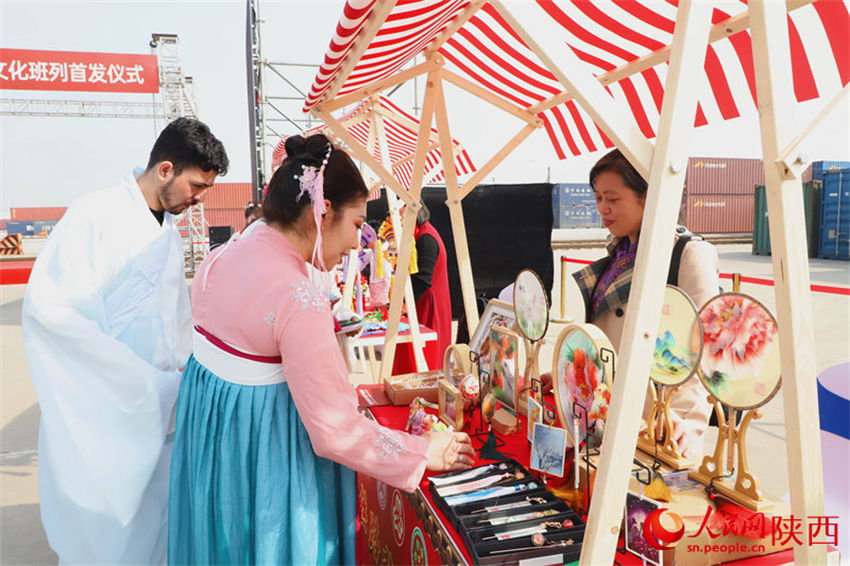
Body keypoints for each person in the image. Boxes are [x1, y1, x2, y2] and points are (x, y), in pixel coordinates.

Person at [168, 134, 474, 565]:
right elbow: (335, 432)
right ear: (322, 211)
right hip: (272, 470)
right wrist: (425, 452)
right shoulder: (298, 297)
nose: (357, 242)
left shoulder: (220, 259)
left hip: (218, 461)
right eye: (356, 223)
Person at [21, 117, 229, 564]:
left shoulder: (167, 234)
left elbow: (176, 319)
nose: (199, 199)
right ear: (166, 169)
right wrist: (134, 380)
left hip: (160, 409)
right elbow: (51, 312)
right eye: (197, 185)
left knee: (155, 530)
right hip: (106, 404)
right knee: (106, 537)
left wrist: (180, 374)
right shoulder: (94, 215)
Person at [572, 148, 720, 457]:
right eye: (598, 198)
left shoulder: (687, 254)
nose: (603, 208)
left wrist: (685, 425)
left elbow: (707, 347)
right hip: (607, 415)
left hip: (661, 426)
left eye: (612, 199)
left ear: (649, 196)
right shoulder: (618, 255)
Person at [392, 201, 452, 374]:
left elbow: (423, 279)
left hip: (428, 303)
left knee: (424, 354)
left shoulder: (426, 238)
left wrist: (402, 305)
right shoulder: (423, 234)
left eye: (402, 216)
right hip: (427, 299)